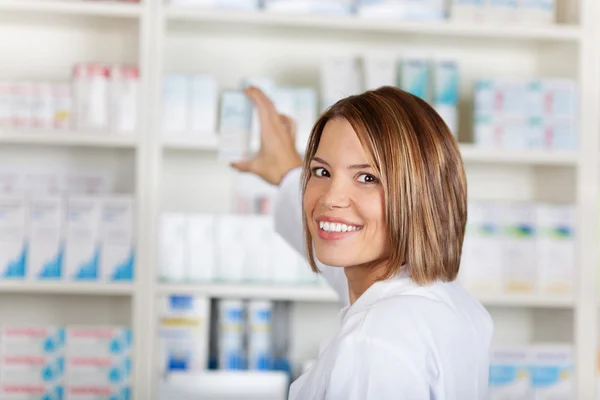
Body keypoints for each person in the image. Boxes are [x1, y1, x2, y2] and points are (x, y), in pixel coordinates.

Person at [233, 86, 493, 400]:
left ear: (419, 195)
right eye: (321, 171)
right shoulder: (445, 301)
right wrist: (286, 170)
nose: (330, 199)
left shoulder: (375, 337)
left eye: (368, 178)